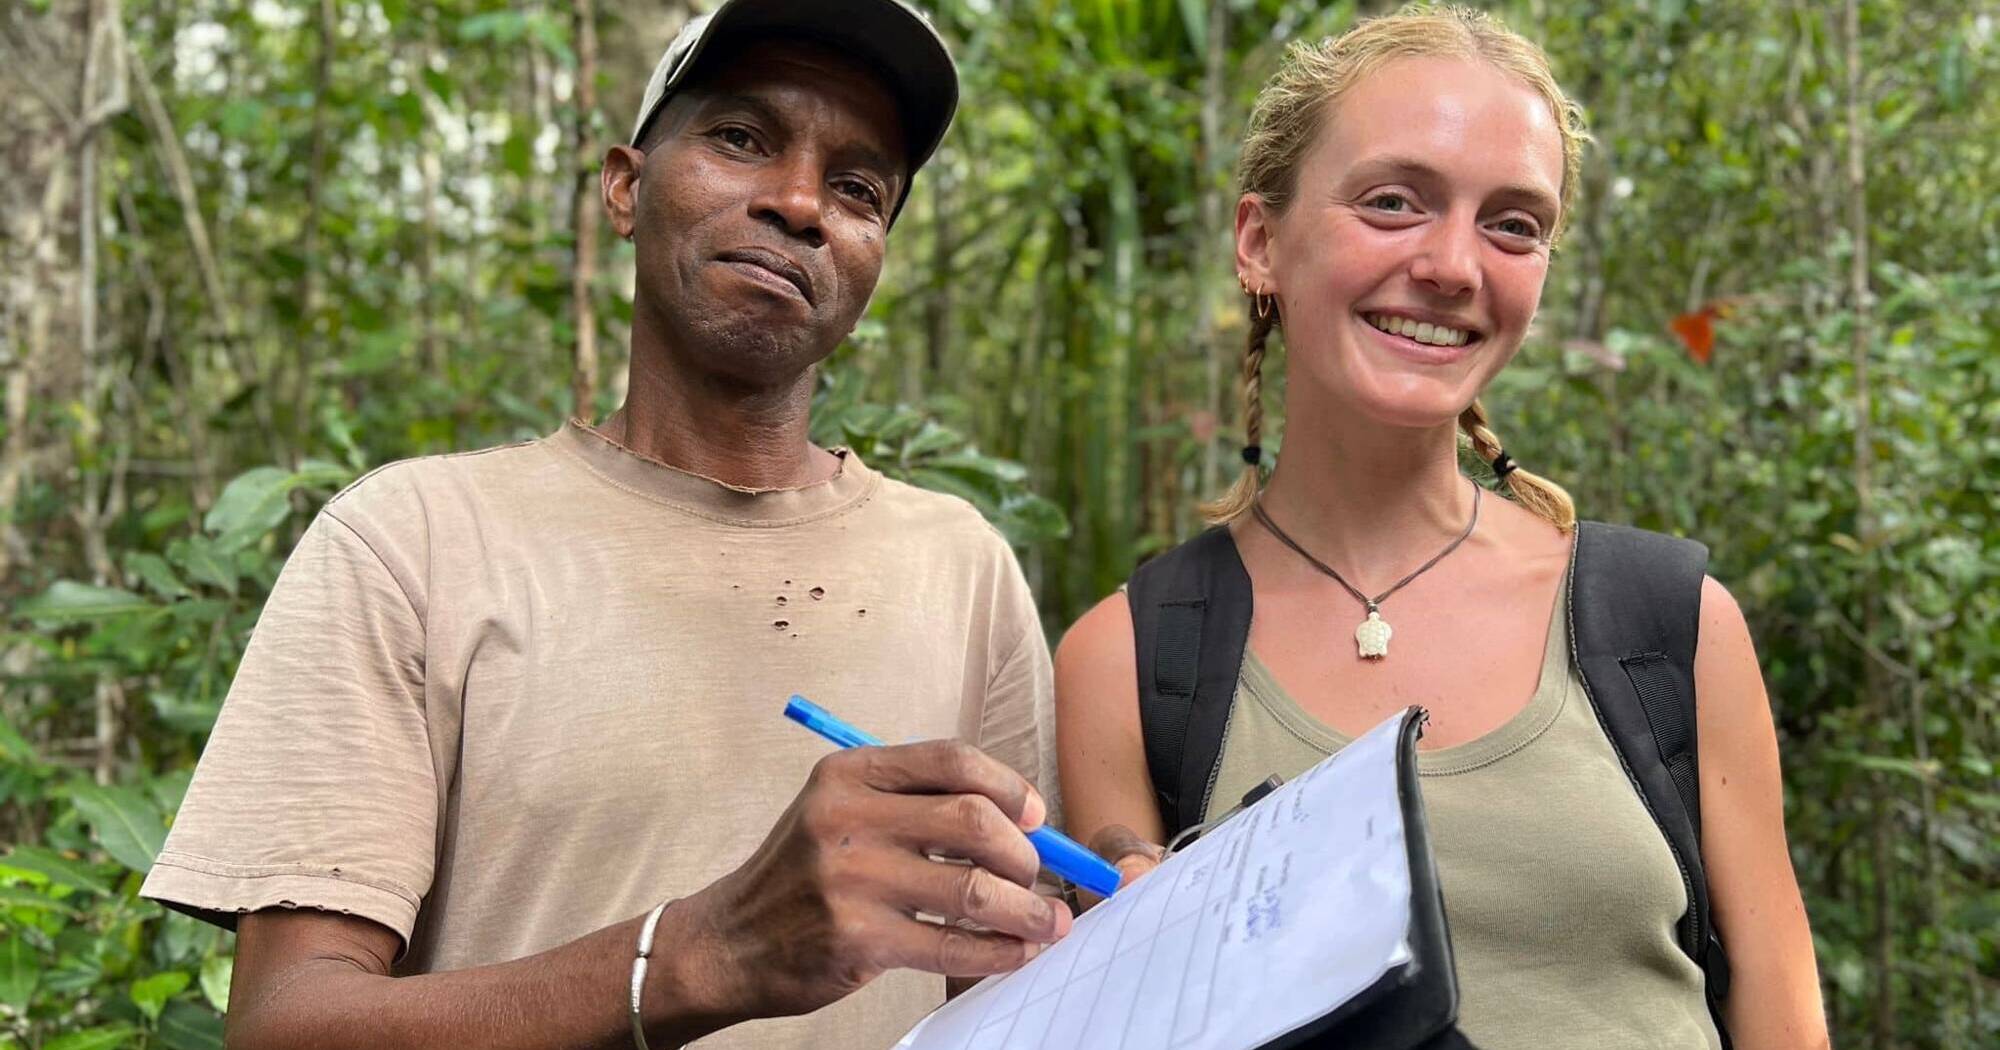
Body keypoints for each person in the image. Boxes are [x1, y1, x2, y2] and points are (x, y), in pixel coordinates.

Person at [140, 3, 1072, 1048]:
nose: (801, 201)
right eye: (740, 138)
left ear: (870, 262)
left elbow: (1006, 997)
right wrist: (696, 955)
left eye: (858, 189)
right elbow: (283, 1028)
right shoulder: (411, 544)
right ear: (625, 187)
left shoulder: (962, 568)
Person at [1053, 7, 1830, 1050]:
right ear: (1258, 242)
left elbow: (1782, 1018)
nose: (1452, 266)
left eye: (1512, 223)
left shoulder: (1665, 625)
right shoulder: (1135, 654)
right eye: (1391, 202)